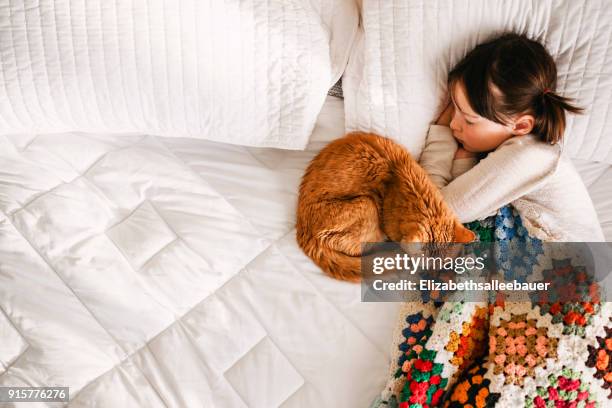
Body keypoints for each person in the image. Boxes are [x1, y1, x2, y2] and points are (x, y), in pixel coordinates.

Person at [419, 33, 604, 242]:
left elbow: (432, 214)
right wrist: (465, 157)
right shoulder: (524, 150)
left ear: (521, 125)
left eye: (469, 120)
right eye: (453, 107)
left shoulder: (530, 157)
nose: (453, 123)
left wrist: (441, 135)